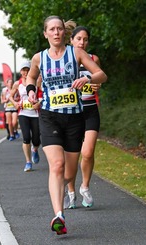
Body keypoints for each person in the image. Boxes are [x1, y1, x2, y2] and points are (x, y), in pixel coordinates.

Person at [25, 16, 107, 235]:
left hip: (74, 119)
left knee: (68, 174)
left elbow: (102, 74)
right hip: (50, 116)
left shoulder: (77, 53)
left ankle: (63, 189)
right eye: (51, 29)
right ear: (45, 33)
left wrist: (87, 79)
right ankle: (59, 215)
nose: (56, 32)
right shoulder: (39, 58)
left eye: (59, 29)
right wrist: (31, 91)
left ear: (64, 33)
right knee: (57, 166)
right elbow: (31, 78)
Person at [64, 26, 102, 209]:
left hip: (90, 110)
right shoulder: (64, 60)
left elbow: (99, 79)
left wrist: (94, 84)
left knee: (88, 152)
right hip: (71, 113)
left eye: (85, 39)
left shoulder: (93, 59)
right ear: (71, 40)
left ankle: (85, 187)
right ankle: (70, 191)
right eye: (78, 38)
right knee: (71, 155)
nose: (82, 42)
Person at [9, 62, 42, 172]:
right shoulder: (17, 84)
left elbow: (43, 94)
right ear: (20, 71)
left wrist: (39, 102)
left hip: (35, 113)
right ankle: (28, 162)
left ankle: (35, 149)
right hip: (23, 113)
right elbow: (10, 96)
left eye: (27, 70)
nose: (25, 72)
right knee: (26, 138)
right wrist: (14, 103)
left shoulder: (36, 81)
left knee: (36, 139)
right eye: (23, 70)